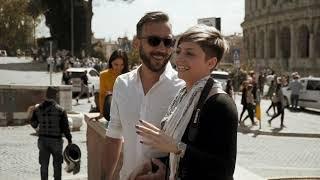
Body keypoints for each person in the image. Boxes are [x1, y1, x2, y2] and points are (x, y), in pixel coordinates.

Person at [131, 24, 238, 179]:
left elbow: (223, 169)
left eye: (189, 53)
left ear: (210, 63)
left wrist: (177, 147)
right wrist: (155, 164)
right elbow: (181, 155)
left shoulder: (220, 104)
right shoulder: (183, 96)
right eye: (179, 51)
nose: (179, 58)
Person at [103, 11, 184, 179]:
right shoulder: (122, 84)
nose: (162, 48)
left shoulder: (183, 87)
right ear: (137, 43)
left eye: (168, 42)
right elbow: (113, 136)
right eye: (154, 41)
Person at [30, 87, 72, 180]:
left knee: (43, 165)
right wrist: (69, 140)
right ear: (55, 95)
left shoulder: (38, 109)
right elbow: (65, 128)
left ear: (46, 95)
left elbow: (33, 123)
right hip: (56, 141)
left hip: (43, 141)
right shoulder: (61, 110)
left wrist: (39, 129)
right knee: (57, 166)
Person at [91, 49, 129, 121]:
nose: (119, 68)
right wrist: (101, 114)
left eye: (122, 65)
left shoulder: (129, 76)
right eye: (116, 64)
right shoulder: (104, 75)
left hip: (127, 112)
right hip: (111, 112)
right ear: (111, 62)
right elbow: (102, 95)